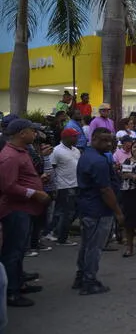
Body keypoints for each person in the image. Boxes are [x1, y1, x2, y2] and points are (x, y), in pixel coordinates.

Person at [0, 119, 52, 307]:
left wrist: (38, 180)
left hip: (25, 209)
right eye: (32, 131)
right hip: (16, 210)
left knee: (19, 249)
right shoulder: (10, 156)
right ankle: (11, 292)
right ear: (22, 133)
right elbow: (8, 186)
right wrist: (35, 192)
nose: (35, 134)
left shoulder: (19, 152)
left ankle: (18, 282)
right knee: (12, 252)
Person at [74, 127, 124, 295]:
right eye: (103, 140)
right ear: (93, 139)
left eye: (110, 140)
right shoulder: (98, 161)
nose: (108, 143)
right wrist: (117, 211)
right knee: (94, 247)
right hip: (98, 210)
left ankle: (81, 276)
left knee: (87, 245)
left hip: (88, 207)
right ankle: (89, 281)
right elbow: (105, 190)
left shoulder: (89, 155)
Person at [50, 128, 82, 246]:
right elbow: (52, 169)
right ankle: (62, 238)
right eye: (74, 136)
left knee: (72, 212)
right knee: (66, 212)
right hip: (64, 186)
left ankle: (55, 231)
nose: (77, 138)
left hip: (77, 184)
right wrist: (54, 186)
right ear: (66, 138)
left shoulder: (76, 150)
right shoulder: (56, 151)